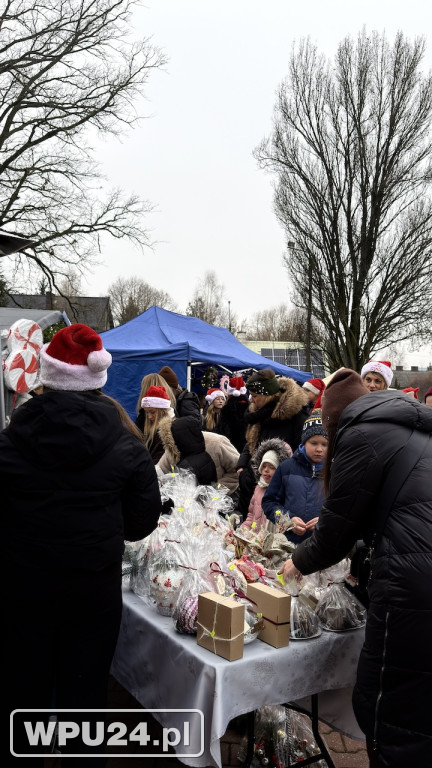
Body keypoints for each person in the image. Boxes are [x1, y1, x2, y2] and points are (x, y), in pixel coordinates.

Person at [4, 323, 162, 765]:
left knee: (25, 693)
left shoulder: (10, 439)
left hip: (24, 589)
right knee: (85, 696)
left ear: (48, 377)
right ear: (96, 381)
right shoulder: (126, 442)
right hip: (91, 592)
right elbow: (140, 522)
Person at [279, 368, 432, 767]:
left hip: (412, 584)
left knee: (390, 702)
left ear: (334, 421)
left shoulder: (361, 434)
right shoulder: (407, 425)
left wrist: (296, 561)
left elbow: (335, 533)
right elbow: (398, 509)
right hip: (419, 568)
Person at [236, 368, 309, 520]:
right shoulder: (258, 413)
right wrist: (242, 465)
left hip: (278, 487)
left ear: (267, 395)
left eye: (255, 396)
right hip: (253, 482)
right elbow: (250, 441)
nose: (251, 399)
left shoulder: (294, 415)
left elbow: (302, 451)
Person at [262, 410, 328, 544]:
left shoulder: (335, 471)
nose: (319, 449)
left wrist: (326, 520)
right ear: (304, 442)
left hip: (322, 544)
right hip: (289, 543)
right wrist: (287, 521)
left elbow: (343, 508)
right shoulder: (287, 468)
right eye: (314, 443)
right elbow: (269, 502)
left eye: (324, 444)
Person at [157, 414, 240, 495]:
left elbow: (237, 470)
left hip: (221, 498)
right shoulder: (173, 448)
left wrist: (215, 492)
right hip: (186, 502)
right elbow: (161, 472)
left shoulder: (217, 443)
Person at [241, 438, 293, 532]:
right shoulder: (259, 488)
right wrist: (243, 530)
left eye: (272, 467)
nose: (266, 470)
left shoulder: (285, 493)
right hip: (254, 540)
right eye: (264, 466)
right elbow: (251, 516)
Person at [138, 384, 175, 463]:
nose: (149, 417)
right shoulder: (152, 428)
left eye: (153, 412)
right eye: (147, 413)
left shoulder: (168, 430)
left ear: (162, 411)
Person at [214, 375, 250, 452]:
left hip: (232, 449)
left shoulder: (227, 409)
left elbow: (222, 432)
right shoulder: (251, 407)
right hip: (249, 449)